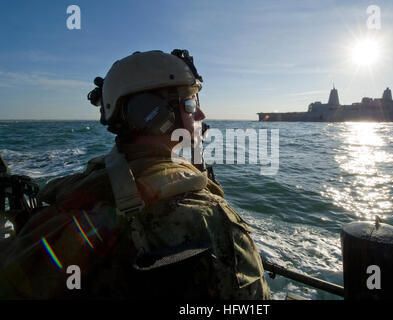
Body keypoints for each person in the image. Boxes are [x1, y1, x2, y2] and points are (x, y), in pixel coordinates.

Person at [0, 50, 271, 300]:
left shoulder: (82, 185)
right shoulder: (211, 217)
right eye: (190, 103)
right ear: (153, 114)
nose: (200, 112)